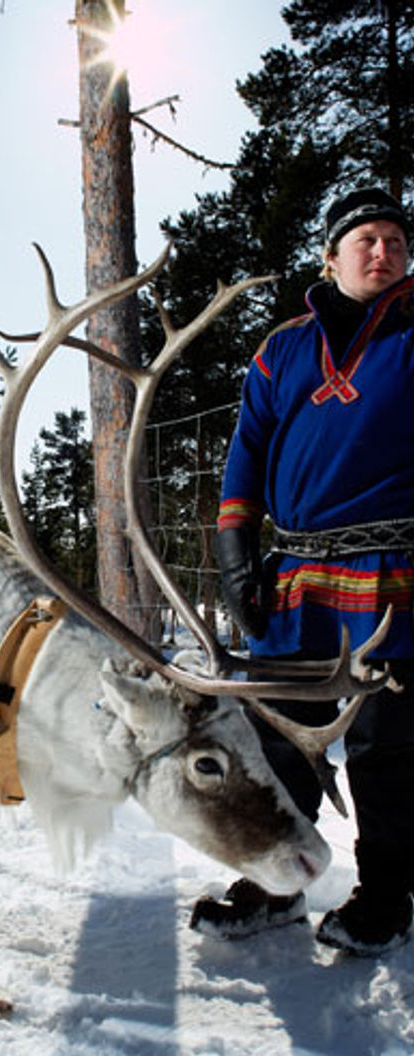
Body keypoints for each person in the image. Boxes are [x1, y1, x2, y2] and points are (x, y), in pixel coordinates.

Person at [189, 187, 414, 956]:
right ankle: (278, 881)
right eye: (367, 240)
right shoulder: (283, 346)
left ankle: (387, 895)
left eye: (395, 239)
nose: (384, 251)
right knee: (279, 737)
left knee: (386, 744)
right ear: (332, 254)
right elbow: (248, 446)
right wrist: (233, 548)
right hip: (295, 577)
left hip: (395, 576)